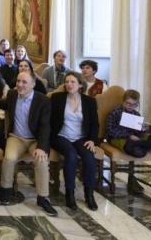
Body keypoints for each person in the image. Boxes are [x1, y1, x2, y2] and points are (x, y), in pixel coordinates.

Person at [0, 72, 57, 216]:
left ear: (33, 84)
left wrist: (42, 147)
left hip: (35, 140)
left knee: (41, 161)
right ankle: (5, 190)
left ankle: (43, 198)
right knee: (9, 158)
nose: (20, 85)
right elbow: (1, 104)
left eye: (24, 82)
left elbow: (45, 126)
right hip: (16, 138)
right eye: (18, 81)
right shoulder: (12, 95)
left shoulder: (42, 100)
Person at [50, 72, 99, 210]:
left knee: (89, 157)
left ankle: (89, 194)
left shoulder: (89, 101)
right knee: (70, 155)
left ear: (80, 85)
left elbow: (95, 124)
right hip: (61, 136)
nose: (69, 85)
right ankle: (69, 194)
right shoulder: (57, 98)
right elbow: (49, 120)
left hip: (81, 137)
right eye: (67, 82)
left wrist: (92, 140)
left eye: (72, 82)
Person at [105, 89, 151, 194]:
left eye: (134, 105)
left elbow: (139, 133)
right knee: (139, 152)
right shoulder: (114, 113)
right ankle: (143, 145)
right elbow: (110, 131)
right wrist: (129, 136)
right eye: (128, 103)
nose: (130, 107)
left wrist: (143, 129)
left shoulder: (136, 114)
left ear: (137, 104)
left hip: (135, 139)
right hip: (119, 139)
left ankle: (142, 144)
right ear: (123, 101)